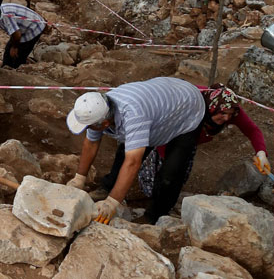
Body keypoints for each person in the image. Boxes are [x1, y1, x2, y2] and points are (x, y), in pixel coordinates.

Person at [65, 77, 204, 224]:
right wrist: (79, 179)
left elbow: (132, 162)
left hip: (187, 108)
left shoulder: (134, 116)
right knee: (126, 149)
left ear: (104, 123)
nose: (88, 130)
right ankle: (108, 187)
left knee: (170, 174)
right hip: (161, 101)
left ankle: (154, 216)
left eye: (89, 126)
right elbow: (91, 143)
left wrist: (112, 203)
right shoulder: (99, 108)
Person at [133, 84, 270, 199]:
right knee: (159, 172)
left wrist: (261, 152)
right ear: (213, 107)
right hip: (168, 130)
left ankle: (163, 200)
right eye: (223, 113)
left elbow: (252, 130)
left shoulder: (230, 108)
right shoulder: (194, 99)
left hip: (189, 143)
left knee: (177, 177)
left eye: (230, 114)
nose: (227, 118)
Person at [0, 3, 47, 68]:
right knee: (8, 50)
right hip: (29, 24)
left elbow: (17, 35)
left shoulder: (5, 16)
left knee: (18, 54)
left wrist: (14, 47)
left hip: (34, 28)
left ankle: (14, 70)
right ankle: (7, 66)